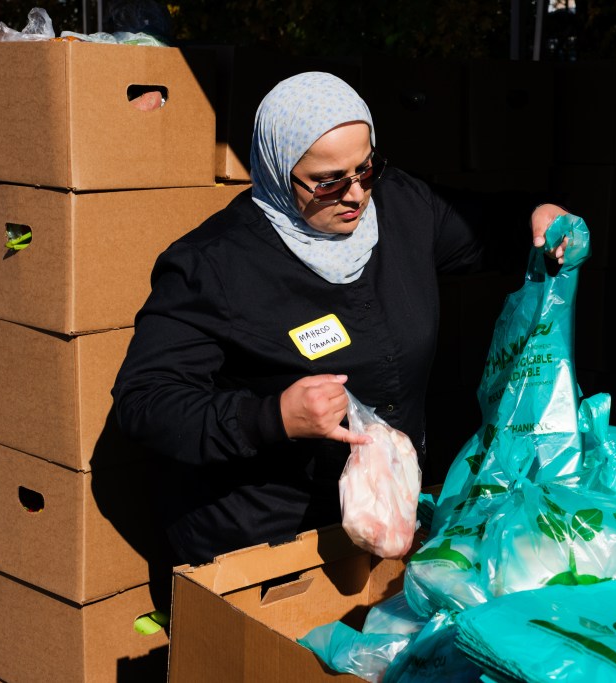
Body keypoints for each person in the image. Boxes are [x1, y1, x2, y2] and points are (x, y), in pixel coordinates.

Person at [111, 71, 572, 567]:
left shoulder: (401, 207)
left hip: (388, 517)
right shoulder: (213, 266)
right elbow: (145, 401)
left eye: (366, 168)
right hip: (271, 541)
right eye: (328, 182)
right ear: (275, 168)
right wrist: (273, 417)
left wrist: (536, 217)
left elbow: (487, 229)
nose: (355, 196)